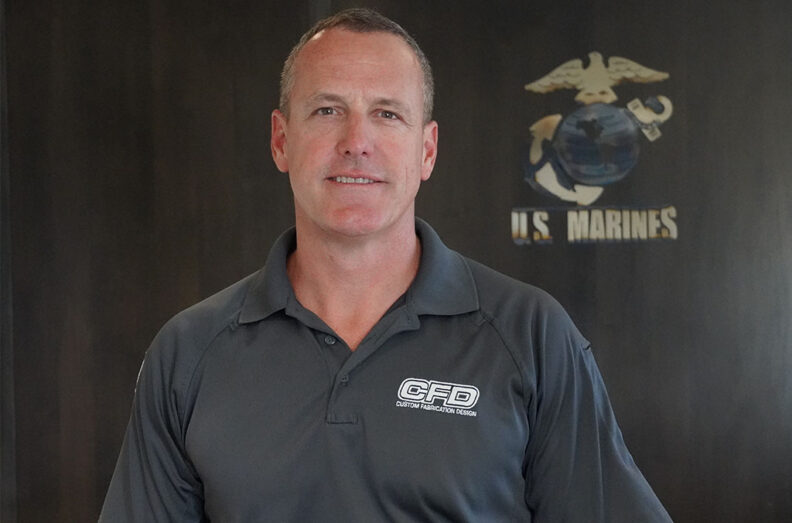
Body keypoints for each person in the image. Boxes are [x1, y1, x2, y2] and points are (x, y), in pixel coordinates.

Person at [100, 8, 672, 522]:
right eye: (327, 110)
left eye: (387, 115)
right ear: (281, 140)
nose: (357, 141)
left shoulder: (530, 335)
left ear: (427, 150)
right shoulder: (188, 353)